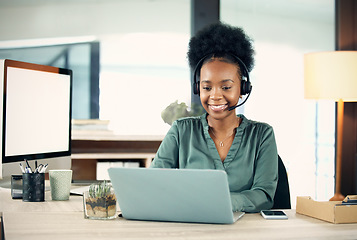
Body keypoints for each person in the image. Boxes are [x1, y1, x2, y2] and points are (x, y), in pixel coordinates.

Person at [150, 22, 278, 213]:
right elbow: (154, 183)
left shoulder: (262, 135)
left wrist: (219, 202)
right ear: (197, 88)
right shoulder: (181, 130)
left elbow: (264, 196)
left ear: (243, 89)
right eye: (207, 87)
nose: (215, 96)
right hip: (192, 225)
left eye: (226, 87)